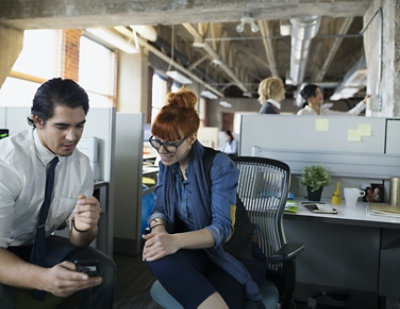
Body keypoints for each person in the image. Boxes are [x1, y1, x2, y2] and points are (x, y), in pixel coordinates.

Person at [142, 89, 266, 309]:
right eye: (157, 141)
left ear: (191, 138)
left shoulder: (219, 165)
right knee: (154, 253)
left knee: (225, 298)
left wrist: (174, 241)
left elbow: (222, 229)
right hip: (196, 253)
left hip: (233, 255)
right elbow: (159, 208)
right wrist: (159, 230)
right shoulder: (167, 165)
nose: (162, 150)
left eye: (170, 143)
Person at [0, 78, 115, 308]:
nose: (72, 137)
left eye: (79, 126)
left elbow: (79, 240)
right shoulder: (7, 163)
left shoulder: (81, 165)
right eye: (62, 127)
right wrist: (44, 280)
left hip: (37, 244)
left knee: (102, 268)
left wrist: (84, 227)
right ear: (38, 121)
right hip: (4, 250)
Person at [297, 83, 369, 116]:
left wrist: (364, 103)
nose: (320, 95)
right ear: (309, 98)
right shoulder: (303, 113)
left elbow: (349, 115)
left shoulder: (325, 113)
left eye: (320, 92)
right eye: (317, 93)